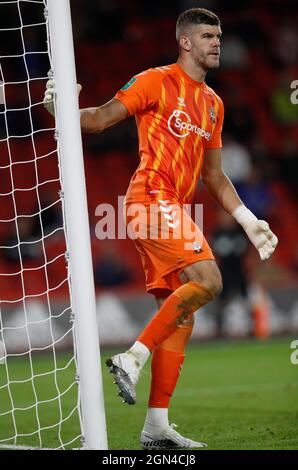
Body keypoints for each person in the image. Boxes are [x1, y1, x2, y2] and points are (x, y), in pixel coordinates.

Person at [44, 8, 278, 450]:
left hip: (176, 208)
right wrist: (65, 112)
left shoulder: (213, 104)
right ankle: (133, 357)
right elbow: (99, 119)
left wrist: (248, 220)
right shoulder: (155, 80)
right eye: (208, 35)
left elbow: (214, 175)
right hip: (150, 199)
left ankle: (156, 427)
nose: (217, 43)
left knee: (181, 316)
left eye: (220, 36)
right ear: (185, 42)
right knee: (210, 279)